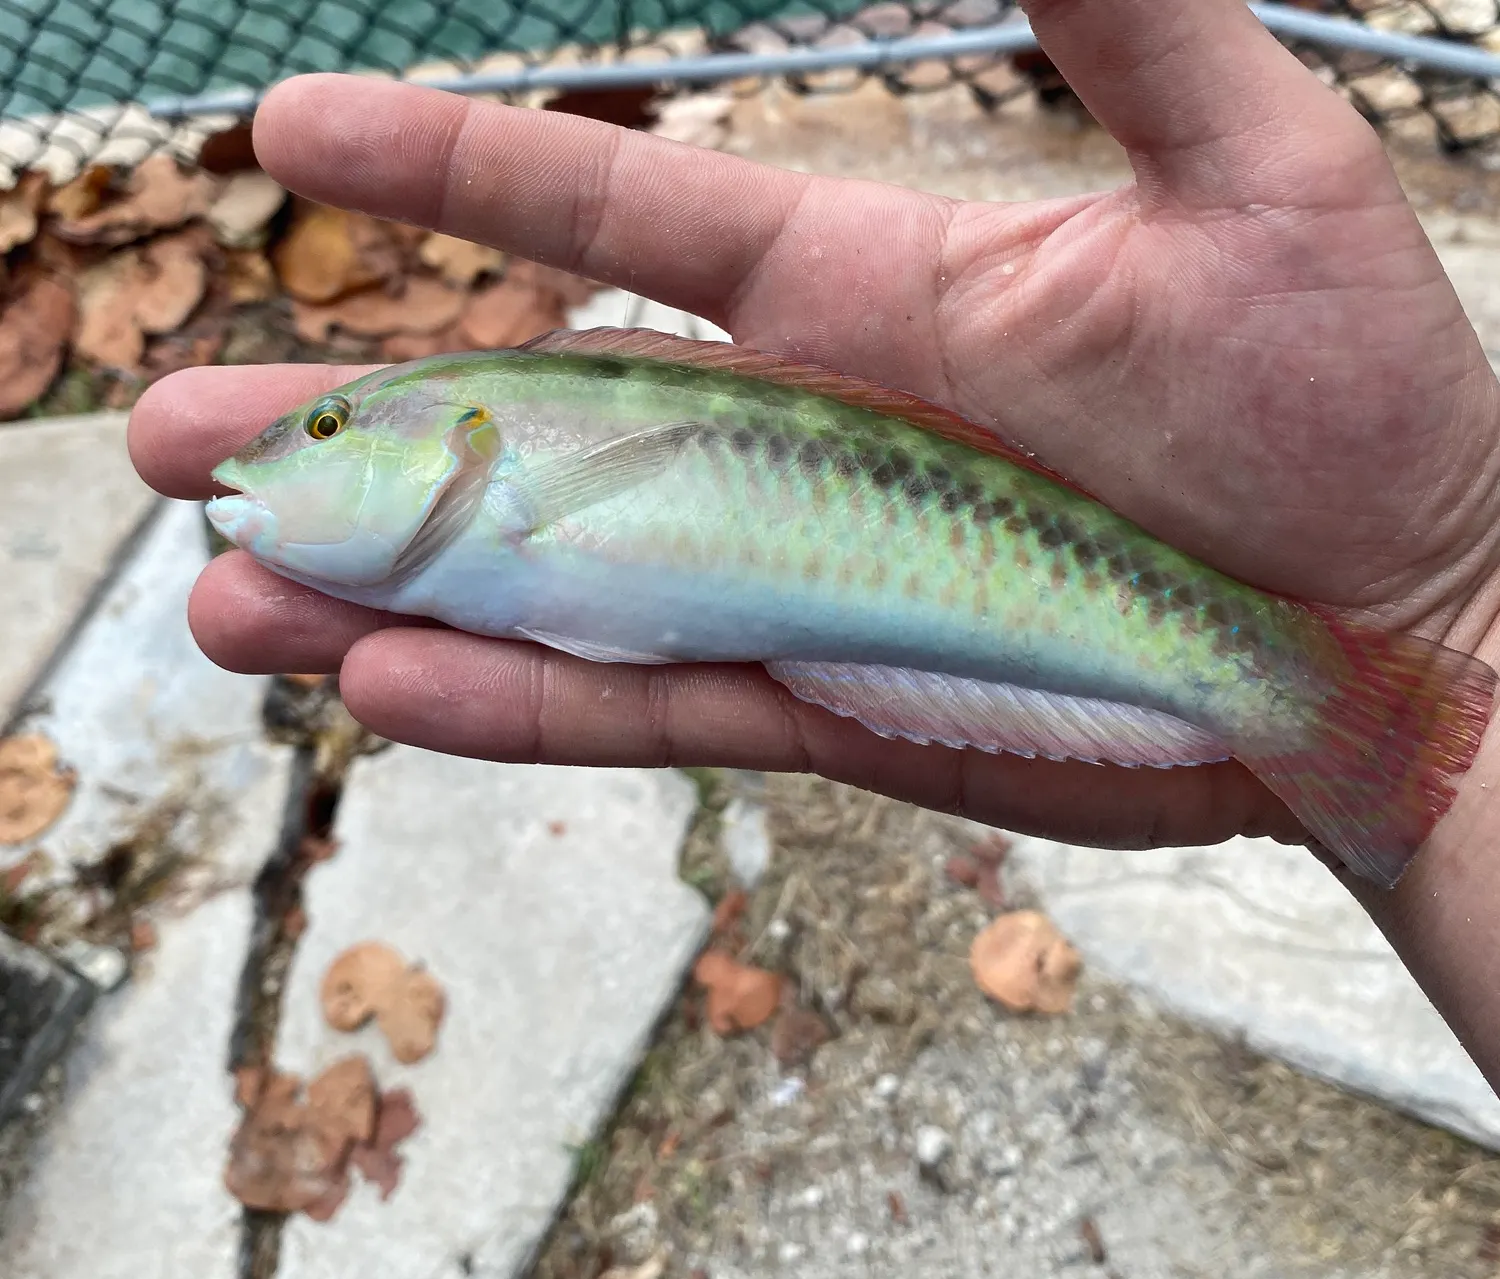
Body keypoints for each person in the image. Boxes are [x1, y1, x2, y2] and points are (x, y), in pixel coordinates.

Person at [128, 0, 1500, 1076]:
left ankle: (1336, 705)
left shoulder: (492, 443)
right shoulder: (482, 480)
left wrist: (1456, 592)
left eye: (319, 432)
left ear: (457, 446)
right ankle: (1353, 710)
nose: (266, 469)